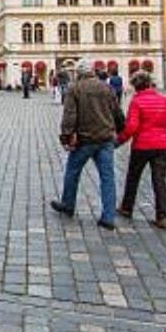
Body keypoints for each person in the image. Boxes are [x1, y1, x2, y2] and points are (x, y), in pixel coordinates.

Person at [50, 59, 120, 230]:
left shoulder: (76, 88)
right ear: (93, 71)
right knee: (107, 177)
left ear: (79, 73)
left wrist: (66, 137)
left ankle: (68, 204)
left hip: (84, 139)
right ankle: (108, 216)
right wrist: (120, 131)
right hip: (105, 139)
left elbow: (70, 115)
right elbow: (117, 112)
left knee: (73, 172)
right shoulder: (106, 87)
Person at [116, 72, 166, 230]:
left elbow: (131, 127)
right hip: (163, 145)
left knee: (133, 177)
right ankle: (162, 216)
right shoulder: (165, 100)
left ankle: (127, 208)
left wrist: (119, 141)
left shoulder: (137, 102)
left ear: (135, 86)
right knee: (159, 180)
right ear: (150, 83)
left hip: (142, 145)